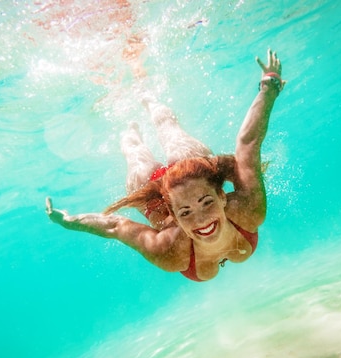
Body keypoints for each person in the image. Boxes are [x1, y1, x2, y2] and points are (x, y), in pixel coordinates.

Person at [46, 49, 285, 282]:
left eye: (207, 202)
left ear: (222, 196)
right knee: (135, 153)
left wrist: (269, 86)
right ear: (175, 217)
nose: (201, 219)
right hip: (159, 198)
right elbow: (115, 227)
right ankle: (129, 127)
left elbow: (247, 144)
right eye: (185, 212)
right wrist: (68, 221)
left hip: (191, 171)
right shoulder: (171, 251)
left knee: (170, 131)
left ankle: (148, 99)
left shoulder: (246, 208)